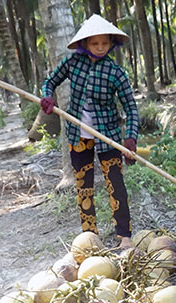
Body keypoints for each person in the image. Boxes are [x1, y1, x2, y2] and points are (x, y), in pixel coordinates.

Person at [40, 14, 138, 248]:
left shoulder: (116, 73)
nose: (101, 48)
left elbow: (131, 108)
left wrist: (131, 138)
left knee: (116, 187)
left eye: (105, 43)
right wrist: (47, 96)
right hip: (78, 136)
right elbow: (50, 81)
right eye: (95, 44)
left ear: (112, 42)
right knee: (84, 188)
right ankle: (90, 238)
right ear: (85, 43)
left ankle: (124, 237)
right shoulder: (73, 63)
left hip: (109, 138)